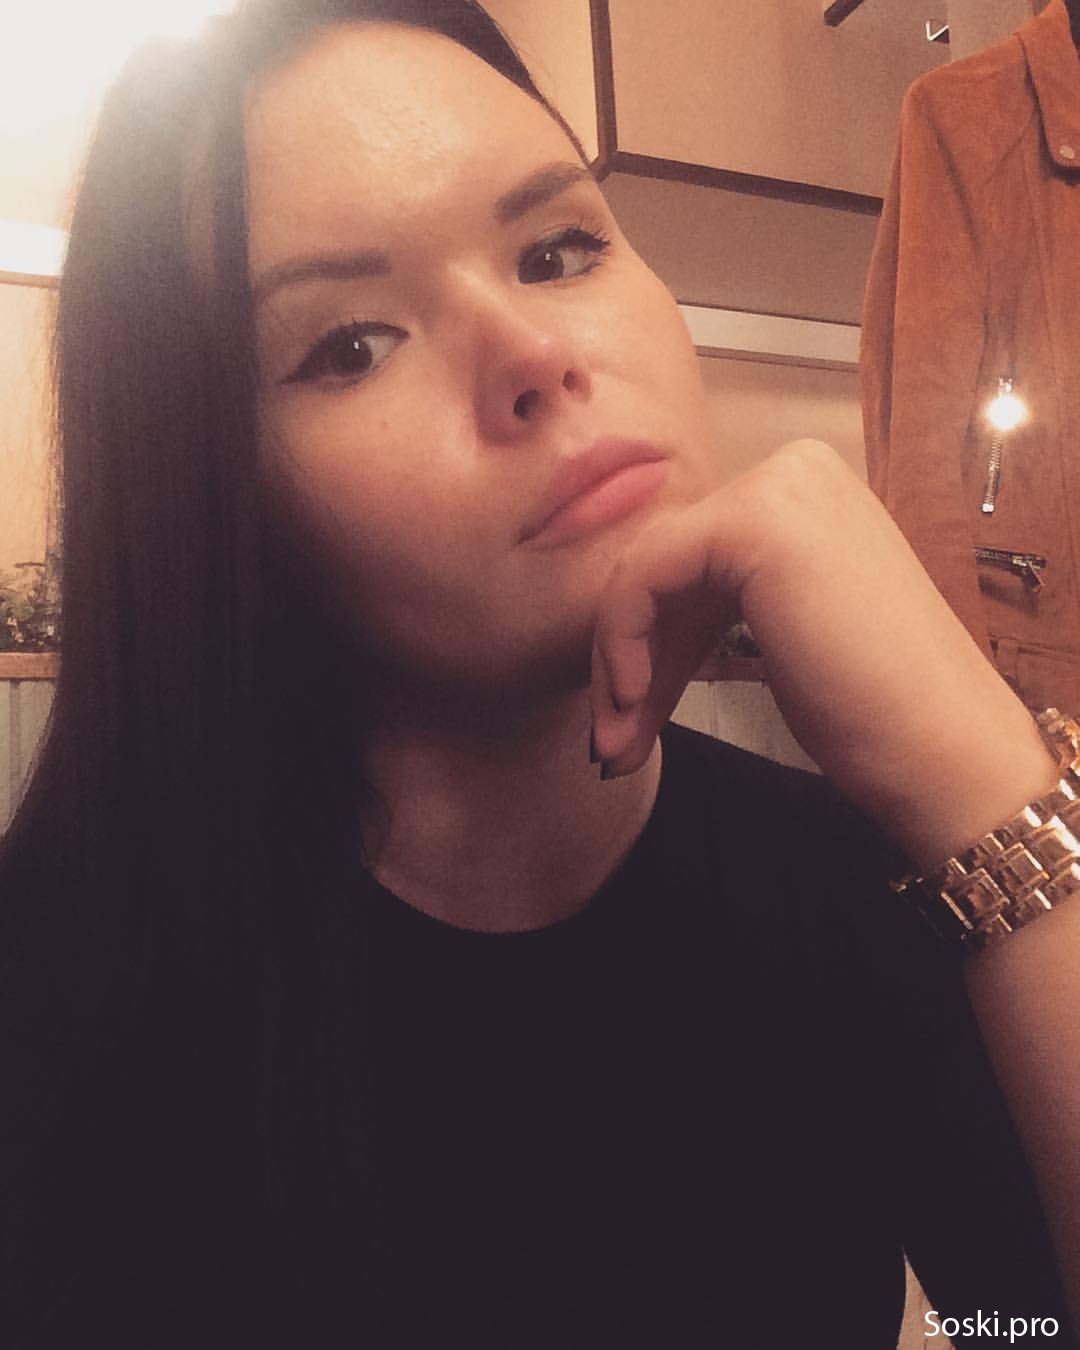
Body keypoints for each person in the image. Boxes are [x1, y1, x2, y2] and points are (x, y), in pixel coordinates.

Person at [0, 1, 1078, 1345]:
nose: (534, 354)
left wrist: (985, 786)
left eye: (558, 250)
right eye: (350, 344)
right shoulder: (59, 987)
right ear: (227, 507)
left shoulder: (876, 880)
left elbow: (1023, 1327)